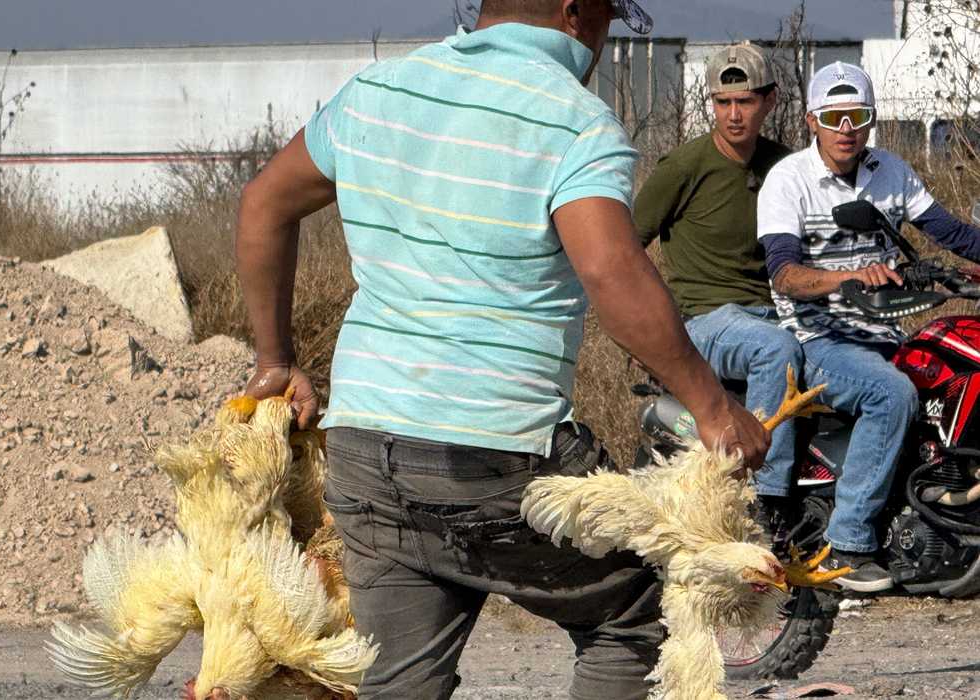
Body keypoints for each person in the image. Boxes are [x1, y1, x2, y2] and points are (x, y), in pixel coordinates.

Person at [238, 1, 769, 697]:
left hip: (366, 447)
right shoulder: (571, 119)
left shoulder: (377, 91)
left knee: (398, 680)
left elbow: (262, 204)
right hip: (493, 450)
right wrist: (711, 405)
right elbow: (611, 271)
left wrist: (275, 362)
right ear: (577, 13)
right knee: (644, 611)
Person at [758, 61, 980, 592]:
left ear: (871, 119)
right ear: (812, 120)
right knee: (892, 395)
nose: (845, 129)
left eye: (856, 116)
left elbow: (951, 232)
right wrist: (849, 275)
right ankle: (850, 543)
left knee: (952, 373)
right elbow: (784, 274)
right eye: (833, 117)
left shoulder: (890, 172)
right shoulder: (789, 180)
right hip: (819, 337)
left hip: (885, 334)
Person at [634, 43, 800, 531]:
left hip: (770, 311)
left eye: (745, 101)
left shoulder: (784, 167)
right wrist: (658, 328)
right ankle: (767, 500)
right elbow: (625, 248)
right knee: (777, 351)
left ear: (769, 101)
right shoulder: (684, 166)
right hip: (706, 320)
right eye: (722, 102)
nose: (733, 114)